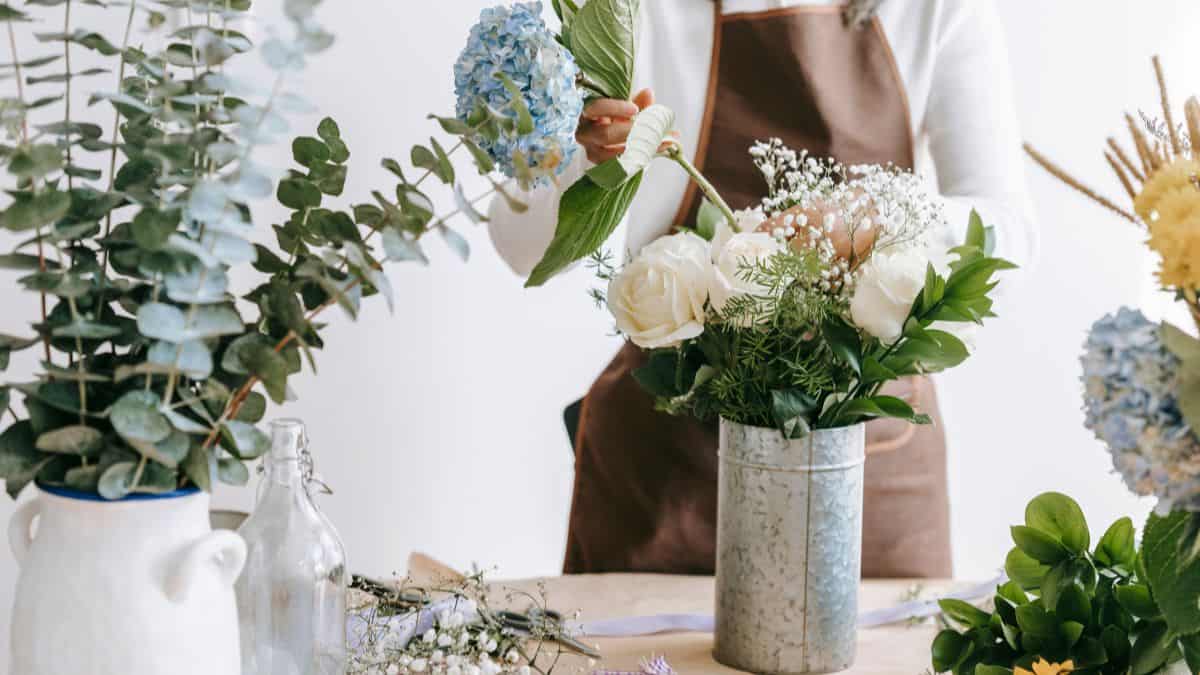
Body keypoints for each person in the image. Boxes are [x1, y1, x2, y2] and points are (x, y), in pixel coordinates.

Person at [487, 0, 1037, 578]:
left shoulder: (938, 10)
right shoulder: (633, 12)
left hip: (875, 473)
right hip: (665, 481)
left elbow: (1010, 233)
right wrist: (586, 160)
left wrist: (873, 218)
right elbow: (519, 243)